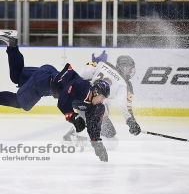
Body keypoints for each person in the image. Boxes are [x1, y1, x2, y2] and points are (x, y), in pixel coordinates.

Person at [0, 30, 111, 162]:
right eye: (102, 97)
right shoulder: (83, 88)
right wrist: (73, 117)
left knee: (17, 76)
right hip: (44, 82)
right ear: (96, 91)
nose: (102, 101)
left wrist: (96, 142)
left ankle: (12, 43)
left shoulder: (95, 105)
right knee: (20, 102)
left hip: (48, 74)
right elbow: (64, 98)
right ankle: (12, 44)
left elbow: (94, 124)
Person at [63, 51, 141, 151]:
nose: (130, 72)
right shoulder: (124, 83)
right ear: (122, 67)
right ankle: (78, 139)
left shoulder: (103, 64)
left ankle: (74, 131)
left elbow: (83, 73)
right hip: (94, 109)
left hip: (80, 101)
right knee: (113, 141)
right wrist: (131, 122)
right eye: (129, 69)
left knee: (102, 111)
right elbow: (124, 107)